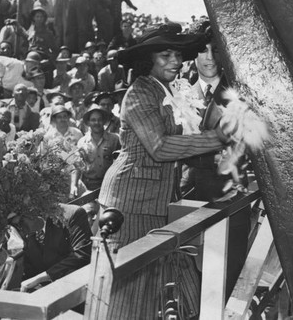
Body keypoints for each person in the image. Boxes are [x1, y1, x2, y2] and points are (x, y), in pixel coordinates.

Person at [98, 26, 233, 319]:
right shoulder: (139, 93)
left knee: (164, 292)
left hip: (160, 204)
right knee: (127, 296)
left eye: (178, 54)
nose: (175, 60)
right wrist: (218, 137)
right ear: (148, 59)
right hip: (131, 205)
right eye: (166, 54)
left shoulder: (168, 89)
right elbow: (159, 148)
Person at [184, 21, 251, 300]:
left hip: (229, 194)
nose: (210, 57)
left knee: (225, 279)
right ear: (193, 55)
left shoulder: (240, 91)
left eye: (216, 49)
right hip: (189, 193)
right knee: (189, 276)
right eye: (203, 50)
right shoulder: (180, 92)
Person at [17, 204, 92, 292]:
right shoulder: (20, 225)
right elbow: (29, 268)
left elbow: (81, 255)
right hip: (40, 293)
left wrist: (40, 278)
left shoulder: (72, 214)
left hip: (71, 290)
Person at [74, 104, 119, 194]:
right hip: (88, 186)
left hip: (109, 184)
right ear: (88, 122)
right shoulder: (82, 142)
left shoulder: (114, 139)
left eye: (99, 120)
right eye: (93, 120)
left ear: (104, 121)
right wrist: (74, 185)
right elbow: (77, 167)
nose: (96, 123)